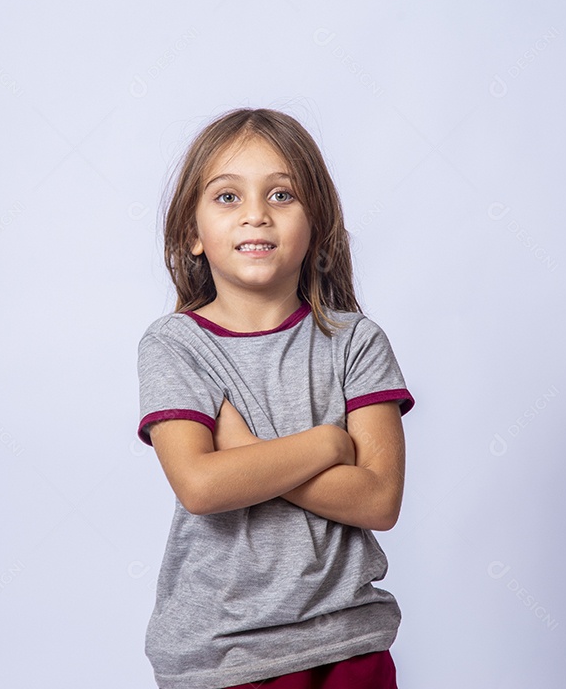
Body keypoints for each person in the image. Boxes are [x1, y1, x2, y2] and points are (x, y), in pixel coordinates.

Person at [136, 107, 415, 689]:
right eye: (228, 198)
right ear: (191, 233)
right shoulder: (176, 344)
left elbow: (379, 501)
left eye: (282, 194)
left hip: (350, 642)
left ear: (318, 225)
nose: (256, 215)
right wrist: (328, 442)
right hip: (224, 656)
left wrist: (245, 451)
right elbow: (203, 485)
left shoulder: (355, 342)